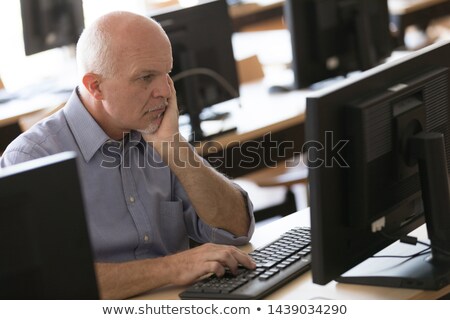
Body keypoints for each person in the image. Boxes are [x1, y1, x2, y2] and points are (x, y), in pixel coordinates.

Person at [0, 11, 255, 299]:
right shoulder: (30, 158)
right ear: (95, 86)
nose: (165, 91)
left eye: (166, 73)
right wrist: (171, 268)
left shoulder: (158, 132)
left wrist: (175, 148)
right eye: (146, 77)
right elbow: (49, 284)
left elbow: (237, 229)